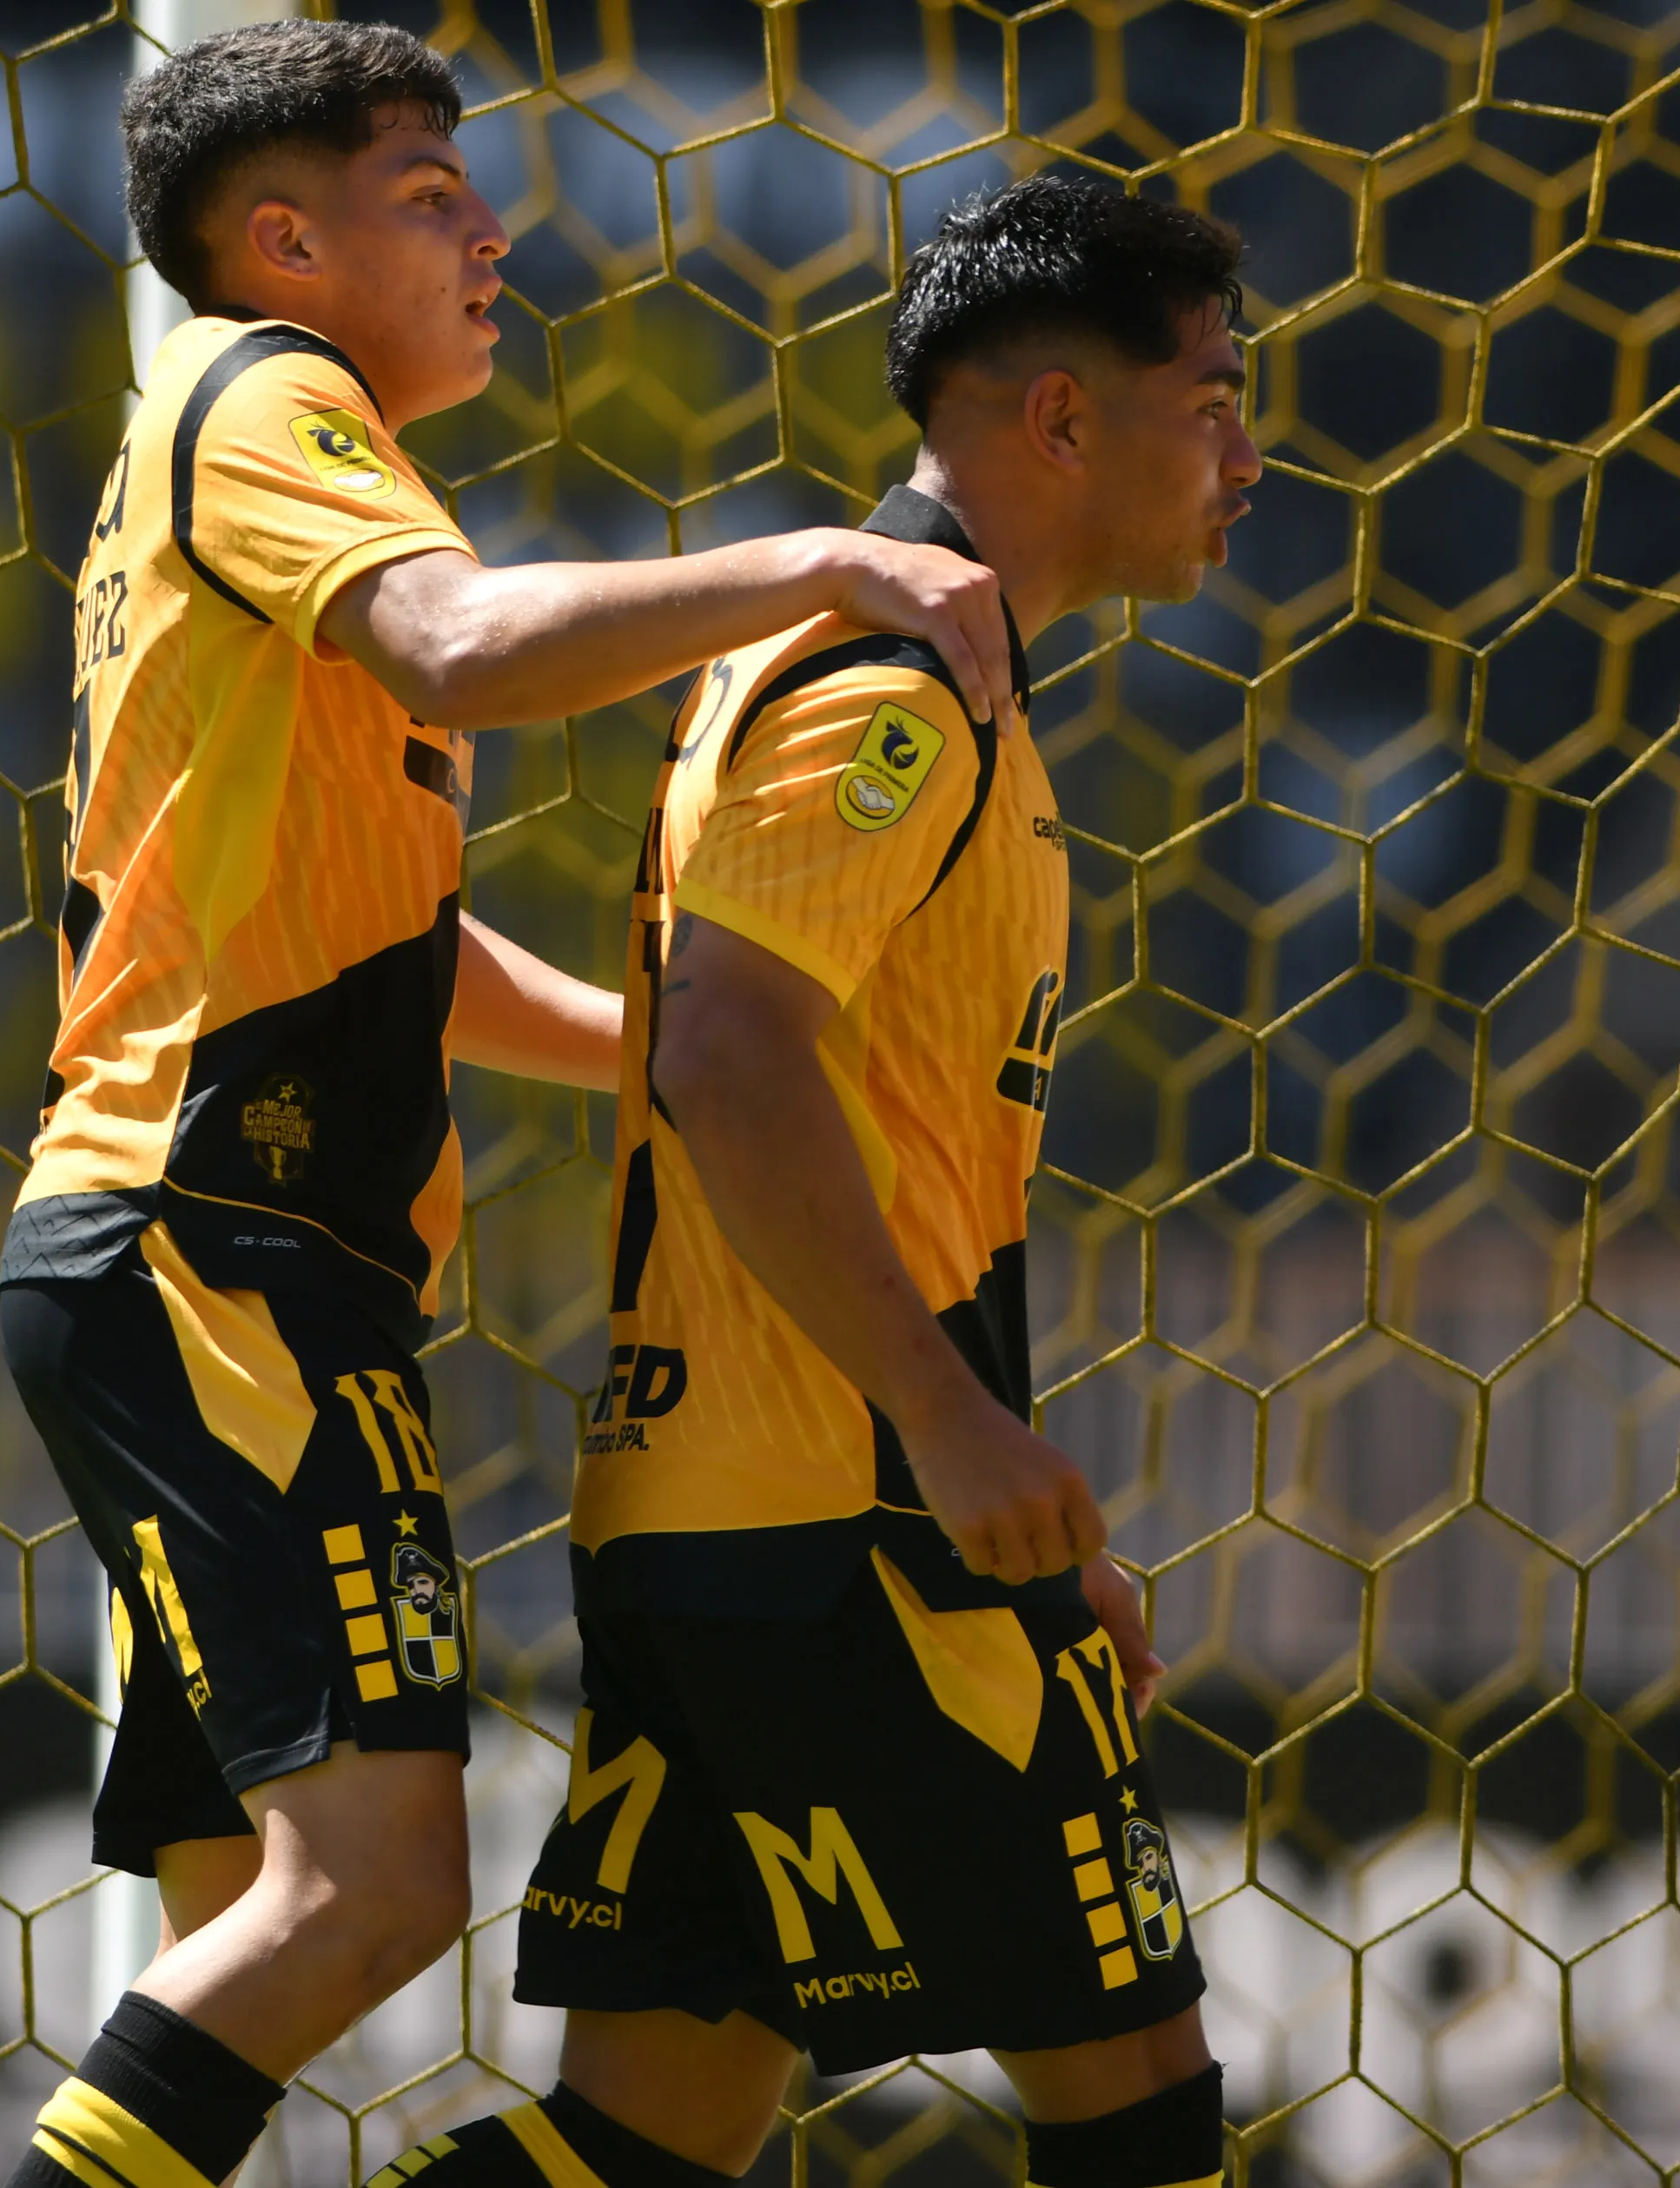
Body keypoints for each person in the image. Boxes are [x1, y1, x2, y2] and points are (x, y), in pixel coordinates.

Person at [3, 23, 1023, 2188]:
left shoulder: (242, 460)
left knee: (247, 1937)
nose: (492, 228)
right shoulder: (271, 398)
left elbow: (405, 952)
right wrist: (825, 568)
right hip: (222, 1238)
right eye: (424, 193)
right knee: (371, 1887)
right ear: (280, 241)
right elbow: (464, 645)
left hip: (180, 1239)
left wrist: (670, 1064)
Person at [358, 175, 1260, 2188]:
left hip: (738, 1513)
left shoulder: (923, 673)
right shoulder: (887, 697)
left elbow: (778, 1084)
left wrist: (991, 1477)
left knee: (642, 2138)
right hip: (844, 1515)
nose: (1244, 454)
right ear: (1054, 419)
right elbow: (728, 1055)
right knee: (1147, 2122)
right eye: (1210, 396)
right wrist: (948, 1427)